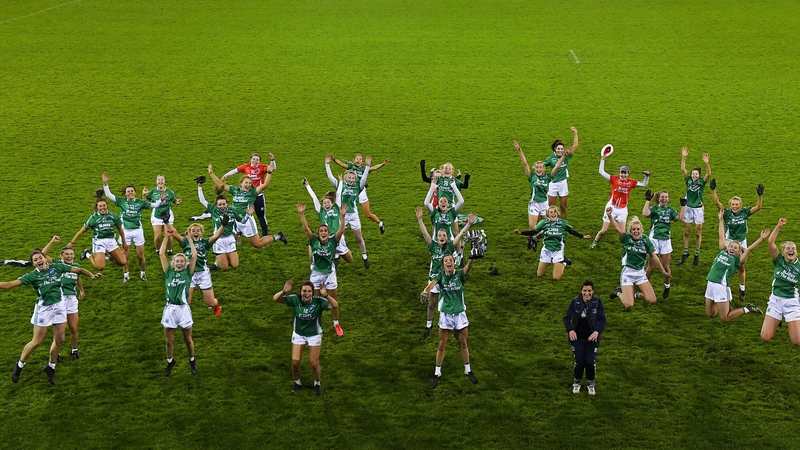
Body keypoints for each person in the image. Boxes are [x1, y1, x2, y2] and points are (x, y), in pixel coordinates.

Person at [1, 249, 101, 384]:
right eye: (35, 260)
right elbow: (9, 285)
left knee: (60, 339)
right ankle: (19, 365)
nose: (39, 261)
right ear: (33, 264)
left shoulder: (57, 267)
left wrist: (92, 275)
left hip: (59, 307)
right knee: (37, 341)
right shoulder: (32, 276)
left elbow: (78, 270)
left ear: (45, 258)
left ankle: (51, 367)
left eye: (40, 258)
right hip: (44, 309)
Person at [417, 206, 476, 338]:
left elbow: (460, 234)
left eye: (444, 235)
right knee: (431, 303)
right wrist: (420, 219)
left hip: (447, 278)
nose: (442, 237)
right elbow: (425, 234)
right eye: (440, 235)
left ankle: (455, 326)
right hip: (434, 278)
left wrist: (469, 224)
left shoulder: (450, 246)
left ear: (446, 237)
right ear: (437, 237)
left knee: (451, 302)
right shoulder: (433, 246)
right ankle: (428, 325)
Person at [272, 280, 339, 396]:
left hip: (314, 335)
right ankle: (297, 383)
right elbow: (275, 299)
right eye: (304, 291)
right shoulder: (295, 299)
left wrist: (326, 295)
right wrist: (283, 291)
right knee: (295, 362)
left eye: (309, 291)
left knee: (314, 363)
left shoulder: (319, 302)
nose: (306, 293)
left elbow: (335, 305)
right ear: (300, 292)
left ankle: (317, 383)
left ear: (313, 292)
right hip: (299, 334)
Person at [424, 254, 478, 389]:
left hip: (460, 314)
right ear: (443, 265)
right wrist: (425, 291)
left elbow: (469, 266)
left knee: (464, 343)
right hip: (446, 315)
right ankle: (437, 373)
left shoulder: (460, 275)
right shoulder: (441, 275)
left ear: (454, 263)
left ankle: (468, 370)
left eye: (450, 260)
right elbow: (432, 283)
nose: (448, 262)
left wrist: (471, 258)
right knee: (442, 345)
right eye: (446, 261)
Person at [102, 172, 165, 282]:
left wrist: (161, 200)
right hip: (125, 232)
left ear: (135, 192)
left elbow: (154, 205)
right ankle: (126, 275)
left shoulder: (140, 202)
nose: (130, 193)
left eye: (132, 191)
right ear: (126, 194)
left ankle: (143, 273)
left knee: (140, 256)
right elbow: (108, 195)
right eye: (128, 191)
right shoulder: (121, 201)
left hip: (137, 232)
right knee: (125, 257)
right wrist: (105, 184)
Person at [704, 210, 766, 322]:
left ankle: (747, 308)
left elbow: (750, 249)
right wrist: (721, 220)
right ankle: (727, 304)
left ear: (739, 252)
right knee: (710, 313)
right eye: (731, 246)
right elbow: (721, 235)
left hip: (720, 286)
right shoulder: (722, 250)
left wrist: (761, 238)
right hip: (710, 283)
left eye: (736, 247)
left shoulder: (737, 261)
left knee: (725, 318)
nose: (732, 248)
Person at [207, 165, 287, 248]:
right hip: (236, 219)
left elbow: (265, 185)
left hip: (247, 221)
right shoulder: (235, 190)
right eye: (246, 182)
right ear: (241, 183)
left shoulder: (252, 193)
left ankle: (278, 236)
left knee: (257, 244)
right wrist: (211, 173)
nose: (248, 184)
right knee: (228, 240)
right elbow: (221, 184)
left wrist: (269, 172)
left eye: (249, 183)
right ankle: (220, 255)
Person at [297, 201, 346, 336]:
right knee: (314, 300)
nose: (323, 232)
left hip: (330, 274)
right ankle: (313, 323)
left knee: (333, 301)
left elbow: (341, 230)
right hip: (317, 274)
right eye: (321, 231)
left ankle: (336, 323)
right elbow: (306, 229)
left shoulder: (333, 241)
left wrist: (342, 216)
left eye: (325, 230)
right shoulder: (314, 241)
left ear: (328, 233)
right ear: (318, 233)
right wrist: (302, 214)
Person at [711, 179, 764, 301]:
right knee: (725, 264)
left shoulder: (745, 212)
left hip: (741, 242)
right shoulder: (727, 213)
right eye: (733, 204)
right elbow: (716, 202)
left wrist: (760, 196)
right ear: (730, 206)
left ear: (740, 205)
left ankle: (742, 288)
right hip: (729, 242)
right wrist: (713, 190)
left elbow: (758, 207)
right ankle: (723, 286)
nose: (735, 206)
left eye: (737, 204)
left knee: (741, 267)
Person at [513, 141, 571, 249]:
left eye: (541, 168)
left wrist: (564, 156)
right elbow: (525, 164)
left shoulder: (548, 177)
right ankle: (531, 239)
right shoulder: (532, 176)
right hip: (534, 204)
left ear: (544, 169)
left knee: (549, 226)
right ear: (535, 169)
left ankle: (535, 238)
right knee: (532, 228)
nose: (539, 169)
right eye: (537, 168)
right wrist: (519, 150)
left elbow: (557, 166)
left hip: (544, 204)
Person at [606, 209, 670, 308]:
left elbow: (654, 256)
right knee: (629, 305)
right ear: (630, 231)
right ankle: (619, 292)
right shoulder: (627, 238)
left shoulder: (645, 240)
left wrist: (663, 271)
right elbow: (617, 228)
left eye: (638, 229)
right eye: (634, 229)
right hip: (628, 273)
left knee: (652, 300)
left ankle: (636, 294)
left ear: (641, 230)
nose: (636, 231)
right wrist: (610, 216)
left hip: (640, 274)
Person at [513, 206, 592, 280]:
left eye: (555, 212)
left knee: (556, 278)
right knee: (539, 275)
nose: (553, 213)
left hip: (558, 250)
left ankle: (563, 261)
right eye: (551, 212)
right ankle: (559, 260)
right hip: (546, 250)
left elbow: (571, 231)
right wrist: (520, 233)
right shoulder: (543, 223)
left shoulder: (563, 223)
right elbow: (533, 231)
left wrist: (583, 236)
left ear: (558, 214)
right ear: (548, 215)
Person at [160, 227, 198, 377]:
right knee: (169, 341)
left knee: (188, 339)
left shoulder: (188, 273)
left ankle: (192, 360)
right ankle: (170, 361)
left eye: (182, 261)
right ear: (173, 262)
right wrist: (166, 238)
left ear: (186, 263)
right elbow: (162, 253)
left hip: (183, 309)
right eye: (177, 261)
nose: (180, 263)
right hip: (170, 309)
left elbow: (194, 255)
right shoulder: (168, 272)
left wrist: (189, 238)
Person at [589, 154, 650, 249]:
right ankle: (595, 242)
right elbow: (601, 172)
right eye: (622, 172)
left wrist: (646, 177)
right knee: (604, 230)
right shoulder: (614, 179)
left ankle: (628, 248)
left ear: (628, 174)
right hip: (611, 207)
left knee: (622, 234)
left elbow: (644, 184)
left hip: (622, 210)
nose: (623, 174)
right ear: (619, 173)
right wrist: (602, 160)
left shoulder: (631, 182)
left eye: (625, 173)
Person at [166, 222, 225, 316]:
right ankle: (184, 320)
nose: (195, 232)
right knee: (185, 302)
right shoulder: (185, 242)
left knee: (210, 303)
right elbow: (175, 233)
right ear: (189, 232)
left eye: (198, 230)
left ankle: (217, 305)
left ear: (201, 233)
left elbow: (216, 236)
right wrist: (166, 222)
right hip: (189, 274)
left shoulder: (205, 242)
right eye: (193, 231)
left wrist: (223, 225)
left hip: (203, 274)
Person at [41, 236, 85, 361]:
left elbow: (77, 278)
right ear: (61, 256)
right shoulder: (56, 265)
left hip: (71, 300)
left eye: (71, 254)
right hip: (58, 300)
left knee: (73, 328)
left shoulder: (76, 266)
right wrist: (52, 242)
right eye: (66, 254)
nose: (69, 256)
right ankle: (57, 353)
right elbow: (43, 254)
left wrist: (81, 290)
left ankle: (74, 351)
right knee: (59, 330)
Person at [325, 154, 372, 268]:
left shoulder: (358, 187)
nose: (351, 179)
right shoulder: (340, 185)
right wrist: (327, 164)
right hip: (342, 216)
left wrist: (367, 166)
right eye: (349, 178)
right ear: (346, 178)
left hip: (353, 215)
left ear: (355, 179)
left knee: (358, 237)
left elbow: (364, 179)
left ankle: (364, 256)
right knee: (338, 237)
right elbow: (330, 177)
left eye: (353, 178)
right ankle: (336, 257)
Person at [761, 218, 800, 343]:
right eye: (788, 248)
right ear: (783, 253)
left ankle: (788, 318)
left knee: (797, 341)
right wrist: (778, 226)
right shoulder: (779, 261)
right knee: (765, 337)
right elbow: (770, 242)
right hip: (775, 301)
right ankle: (779, 318)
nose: (791, 250)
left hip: (791, 303)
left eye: (793, 248)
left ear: (796, 253)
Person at [563, 280, 606, 395]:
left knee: (589, 362)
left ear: (593, 291)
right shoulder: (575, 302)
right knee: (580, 361)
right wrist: (570, 330)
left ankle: (590, 384)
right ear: (581, 291)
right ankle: (576, 383)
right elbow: (567, 318)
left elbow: (602, 320)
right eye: (585, 291)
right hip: (578, 338)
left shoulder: (597, 302)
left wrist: (597, 332)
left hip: (592, 338)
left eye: (589, 291)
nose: (587, 293)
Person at [642, 190, 686, 298]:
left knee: (666, 267)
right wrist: (647, 200)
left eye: (666, 197)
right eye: (662, 197)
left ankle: (667, 285)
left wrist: (683, 206)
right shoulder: (654, 208)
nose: (664, 198)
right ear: (659, 198)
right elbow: (645, 213)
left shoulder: (670, 210)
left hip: (666, 240)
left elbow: (680, 218)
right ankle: (643, 286)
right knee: (651, 267)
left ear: (668, 199)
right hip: (654, 240)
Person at [218, 153, 276, 235]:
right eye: (253, 159)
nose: (255, 161)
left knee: (261, 217)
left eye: (257, 160)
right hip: (246, 197)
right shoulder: (246, 166)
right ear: (250, 159)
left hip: (258, 196)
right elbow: (235, 170)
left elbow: (272, 168)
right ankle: (239, 234)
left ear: (259, 161)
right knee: (242, 215)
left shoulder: (262, 167)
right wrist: (226, 175)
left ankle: (265, 235)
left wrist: (272, 160)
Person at [331, 154, 388, 234]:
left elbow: (374, 168)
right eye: (357, 158)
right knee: (344, 209)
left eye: (360, 159)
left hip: (361, 192)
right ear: (354, 160)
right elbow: (342, 164)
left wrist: (382, 164)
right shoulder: (351, 167)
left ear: (362, 162)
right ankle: (339, 229)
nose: (358, 160)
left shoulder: (364, 169)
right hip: (349, 191)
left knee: (367, 214)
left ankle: (380, 223)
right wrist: (334, 159)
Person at [197, 182, 247, 270]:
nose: (222, 206)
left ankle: (223, 257)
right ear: (216, 205)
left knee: (235, 265)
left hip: (230, 239)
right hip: (218, 240)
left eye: (224, 204)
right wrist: (199, 186)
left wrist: (248, 215)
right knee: (225, 268)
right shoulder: (213, 209)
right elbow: (202, 200)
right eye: (220, 204)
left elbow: (242, 221)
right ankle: (219, 260)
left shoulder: (232, 210)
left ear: (227, 204)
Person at [70, 197, 129, 271]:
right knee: (100, 267)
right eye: (100, 206)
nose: (102, 208)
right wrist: (71, 243)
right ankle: (88, 254)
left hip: (111, 241)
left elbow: (120, 229)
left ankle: (106, 256)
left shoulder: (113, 216)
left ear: (107, 206)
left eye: (104, 205)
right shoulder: (93, 218)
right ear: (97, 207)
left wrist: (124, 242)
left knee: (123, 262)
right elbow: (82, 231)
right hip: (99, 242)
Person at [304, 177, 353, 265]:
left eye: (328, 202)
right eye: (324, 203)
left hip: (339, 237)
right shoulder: (321, 212)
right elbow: (314, 198)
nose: (326, 204)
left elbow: (338, 194)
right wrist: (307, 186)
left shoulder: (336, 208)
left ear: (332, 203)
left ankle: (338, 253)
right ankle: (316, 264)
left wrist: (341, 182)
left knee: (350, 260)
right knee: (329, 259)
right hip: (328, 238)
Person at [679, 148, 711, 266]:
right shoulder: (688, 180)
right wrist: (684, 157)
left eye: (696, 174)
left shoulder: (702, 182)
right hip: (688, 208)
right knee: (686, 232)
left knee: (698, 232)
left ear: (699, 175)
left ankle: (696, 254)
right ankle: (685, 252)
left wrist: (707, 163)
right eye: (693, 174)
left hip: (698, 209)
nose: (694, 175)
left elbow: (709, 174)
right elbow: (683, 169)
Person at [543, 127, 579, 219]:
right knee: (552, 207)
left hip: (563, 183)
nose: (560, 150)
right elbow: (542, 167)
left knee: (563, 206)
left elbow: (575, 145)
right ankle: (550, 224)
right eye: (558, 149)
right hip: (553, 184)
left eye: (561, 149)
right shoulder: (550, 159)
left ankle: (563, 224)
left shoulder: (566, 155)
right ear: (555, 149)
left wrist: (575, 132)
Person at [144, 174, 182, 255]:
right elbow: (145, 202)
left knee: (168, 235)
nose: (160, 181)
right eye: (159, 179)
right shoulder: (152, 192)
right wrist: (144, 194)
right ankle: (158, 249)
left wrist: (177, 202)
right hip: (157, 216)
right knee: (157, 237)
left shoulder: (170, 192)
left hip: (167, 216)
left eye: (162, 179)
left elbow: (174, 201)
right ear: (156, 181)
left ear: (165, 182)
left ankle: (169, 250)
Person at [423, 173, 465, 241]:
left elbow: (461, 201)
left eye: (445, 201)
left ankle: (459, 251)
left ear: (448, 204)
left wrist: (454, 186)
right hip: (437, 245)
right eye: (441, 201)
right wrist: (432, 187)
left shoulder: (451, 212)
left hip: (449, 244)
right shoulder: (435, 212)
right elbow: (426, 203)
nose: (443, 202)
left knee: (457, 233)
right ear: (438, 204)